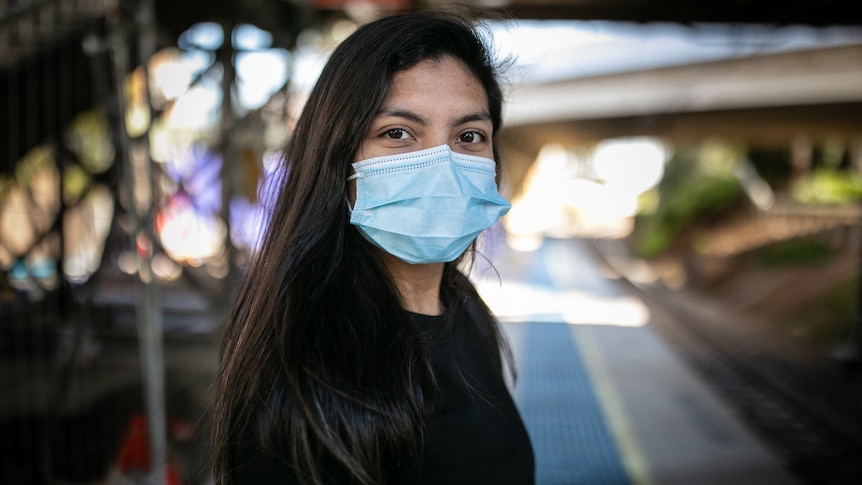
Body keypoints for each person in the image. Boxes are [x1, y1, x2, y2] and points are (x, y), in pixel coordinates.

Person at [211, 11, 535, 485]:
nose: (441, 165)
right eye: (397, 133)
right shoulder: (306, 375)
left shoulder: (466, 311)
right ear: (336, 158)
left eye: (469, 137)